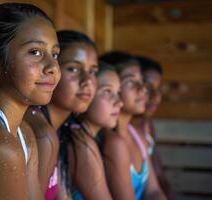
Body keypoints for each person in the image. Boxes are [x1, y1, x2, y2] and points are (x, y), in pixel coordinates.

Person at [0, 3, 60, 199]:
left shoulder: (24, 133)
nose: (52, 67)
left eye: (54, 54)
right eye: (35, 52)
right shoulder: (0, 146)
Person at [25, 30, 98, 200]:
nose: (87, 80)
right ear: (51, 70)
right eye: (73, 69)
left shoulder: (62, 129)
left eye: (93, 71)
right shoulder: (40, 131)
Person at [99, 51, 166, 200]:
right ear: (113, 85)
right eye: (130, 81)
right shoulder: (111, 142)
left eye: (141, 81)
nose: (142, 89)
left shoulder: (137, 134)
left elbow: (154, 190)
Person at [61, 61, 122, 200]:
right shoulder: (81, 144)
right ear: (87, 94)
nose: (119, 102)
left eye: (118, 92)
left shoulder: (92, 137)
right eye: (107, 91)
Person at [132, 56, 174, 200]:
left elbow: (159, 175)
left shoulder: (147, 126)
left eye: (159, 89)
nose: (156, 96)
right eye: (149, 88)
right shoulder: (120, 135)